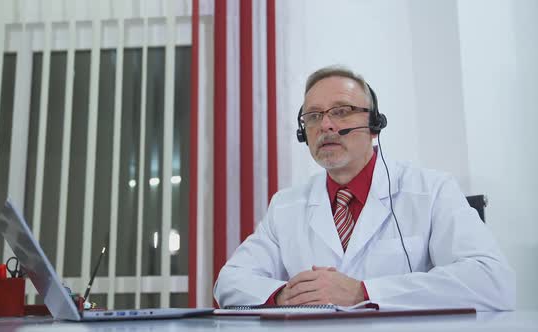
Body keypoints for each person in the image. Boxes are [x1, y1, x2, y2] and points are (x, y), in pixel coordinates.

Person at [213, 65, 515, 310]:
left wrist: (363, 292)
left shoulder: (431, 190)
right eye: (314, 116)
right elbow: (230, 282)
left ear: (374, 125)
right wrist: (284, 296)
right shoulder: (286, 205)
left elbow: (493, 282)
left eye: (341, 111)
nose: (326, 125)